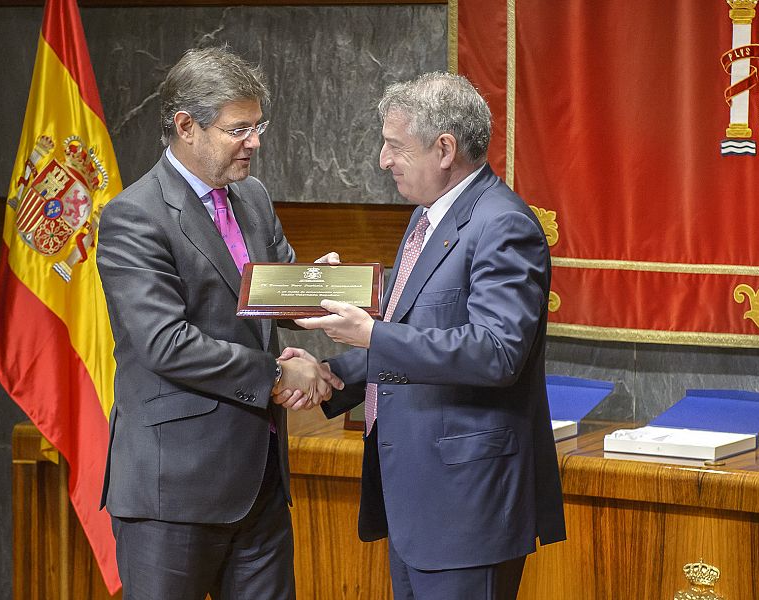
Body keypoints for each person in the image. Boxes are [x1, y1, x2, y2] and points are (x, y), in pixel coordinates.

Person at [285, 72, 566, 600]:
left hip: (467, 509)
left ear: (444, 149)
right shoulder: (428, 217)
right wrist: (330, 376)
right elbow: (418, 326)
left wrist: (371, 335)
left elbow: (497, 351)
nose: (382, 160)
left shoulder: (503, 223)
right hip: (419, 502)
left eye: (394, 146)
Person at [96, 47, 337, 599]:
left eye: (258, 126)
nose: (255, 142)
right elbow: (166, 344)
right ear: (186, 127)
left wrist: (316, 291)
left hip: (260, 483)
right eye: (238, 129)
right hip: (173, 490)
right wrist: (275, 376)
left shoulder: (250, 197)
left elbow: (271, 294)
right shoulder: (135, 215)